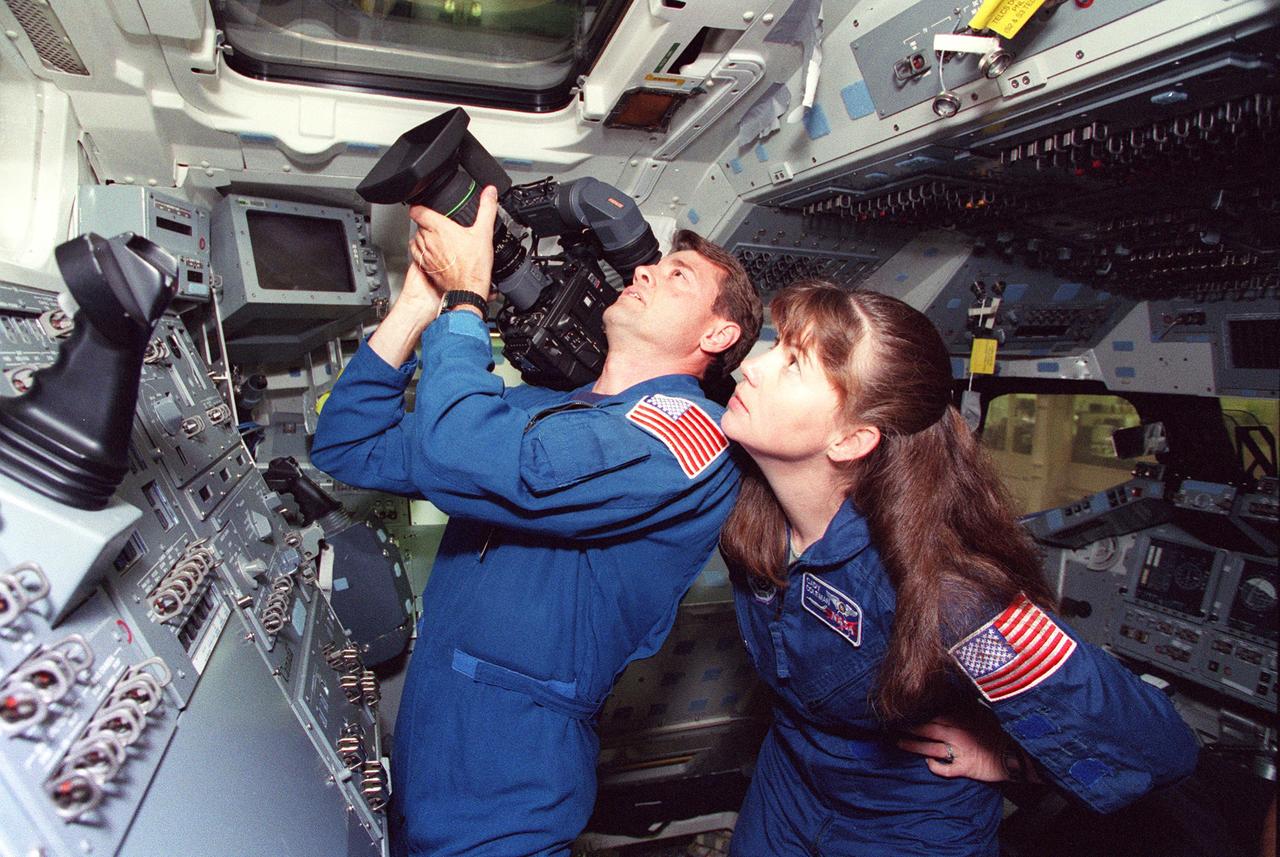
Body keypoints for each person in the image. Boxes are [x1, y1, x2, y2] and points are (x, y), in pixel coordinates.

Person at [310, 185, 763, 857]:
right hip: (430, 737)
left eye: (678, 276)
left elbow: (485, 458)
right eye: (654, 265)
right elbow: (347, 443)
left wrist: (467, 302)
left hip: (512, 768)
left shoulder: (686, 435)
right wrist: (417, 307)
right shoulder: (545, 408)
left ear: (717, 334)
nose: (644, 272)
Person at [717, 280, 1199, 857]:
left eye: (793, 363)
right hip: (789, 782)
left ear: (851, 439)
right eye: (777, 348)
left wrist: (1012, 759)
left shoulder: (951, 598)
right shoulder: (746, 503)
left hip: (907, 821)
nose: (751, 367)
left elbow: (1159, 749)